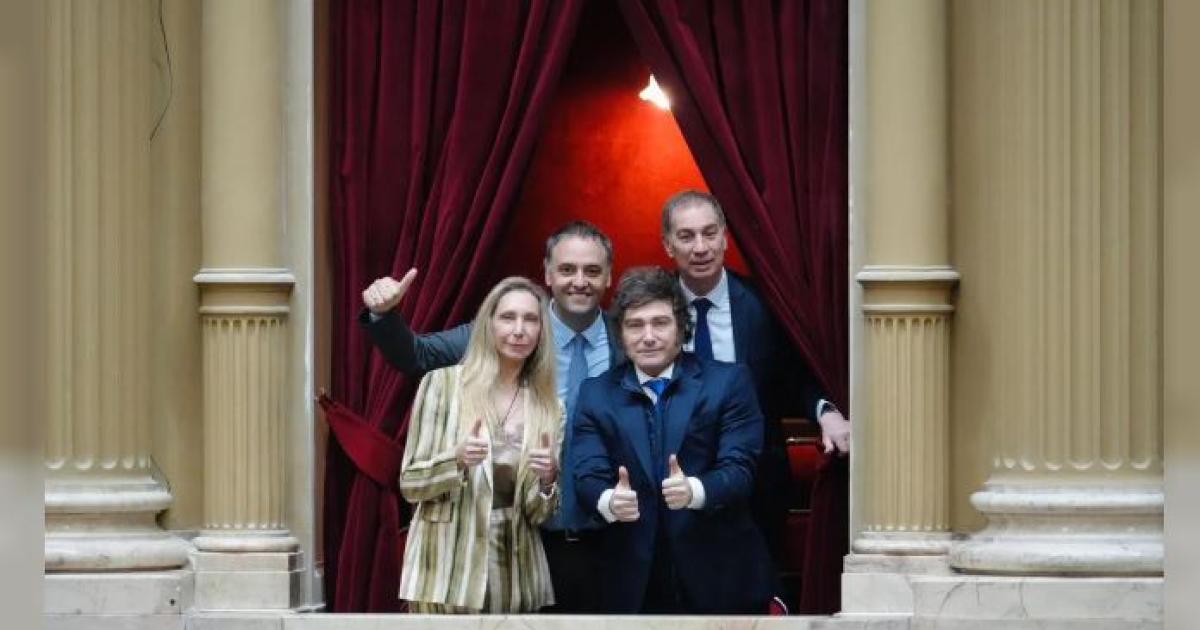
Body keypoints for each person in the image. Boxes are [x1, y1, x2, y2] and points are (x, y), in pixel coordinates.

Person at [362, 221, 621, 612]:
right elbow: (415, 355)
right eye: (567, 269)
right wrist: (385, 315)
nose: (579, 281)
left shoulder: (633, 338)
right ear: (547, 273)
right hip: (504, 547)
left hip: (601, 539)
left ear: (609, 276)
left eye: (592, 270)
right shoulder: (497, 333)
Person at [659, 190, 851, 607]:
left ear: (726, 237)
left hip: (755, 484)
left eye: (710, 233)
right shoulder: (650, 307)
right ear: (668, 245)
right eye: (687, 236)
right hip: (669, 486)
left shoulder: (766, 304)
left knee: (755, 603)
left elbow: (796, 375)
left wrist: (827, 412)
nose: (701, 247)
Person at [572, 267, 774, 614]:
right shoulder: (596, 394)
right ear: (621, 334)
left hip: (718, 574)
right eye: (635, 325)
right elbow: (587, 472)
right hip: (632, 581)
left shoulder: (728, 382)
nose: (648, 336)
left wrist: (695, 491)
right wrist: (608, 500)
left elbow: (740, 468)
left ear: (682, 328)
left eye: (660, 323)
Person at [397, 277, 563, 613]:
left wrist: (547, 481)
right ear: (488, 323)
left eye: (531, 320)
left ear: (542, 332)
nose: (519, 330)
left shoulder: (549, 407)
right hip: (444, 571)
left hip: (515, 576)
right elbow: (410, 484)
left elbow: (539, 513)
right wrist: (455, 459)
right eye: (508, 318)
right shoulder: (442, 384)